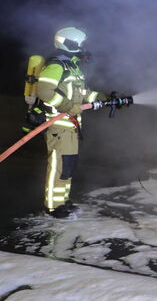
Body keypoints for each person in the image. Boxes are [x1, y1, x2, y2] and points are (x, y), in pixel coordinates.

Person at [33, 27, 110, 218]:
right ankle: (52, 207)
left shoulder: (71, 67)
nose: (85, 47)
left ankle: (62, 202)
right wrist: (67, 106)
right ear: (71, 44)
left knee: (67, 167)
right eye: (81, 44)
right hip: (59, 126)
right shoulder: (56, 65)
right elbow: (44, 90)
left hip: (71, 126)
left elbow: (81, 94)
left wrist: (103, 97)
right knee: (58, 168)